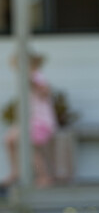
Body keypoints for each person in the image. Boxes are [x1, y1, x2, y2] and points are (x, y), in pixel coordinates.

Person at [2, 51, 58, 188]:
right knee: (10, 140)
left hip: (41, 122)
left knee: (29, 145)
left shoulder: (36, 77)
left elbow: (45, 91)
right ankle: (16, 172)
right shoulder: (29, 78)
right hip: (31, 122)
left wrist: (33, 84)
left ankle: (44, 176)